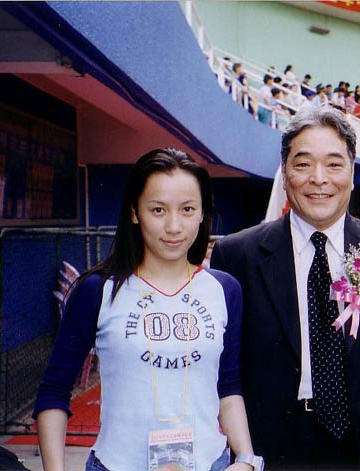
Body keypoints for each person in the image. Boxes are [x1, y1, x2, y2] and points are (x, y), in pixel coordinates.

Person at [211, 107, 360, 470]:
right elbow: (230, 362)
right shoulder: (237, 255)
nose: (319, 179)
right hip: (270, 443)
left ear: (352, 173)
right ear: (285, 173)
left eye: (334, 165)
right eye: (303, 164)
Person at [33, 149, 260, 471]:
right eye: (158, 209)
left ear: (202, 213)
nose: (173, 226)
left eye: (187, 209)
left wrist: (247, 459)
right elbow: (54, 392)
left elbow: (228, 386)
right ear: (135, 212)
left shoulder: (225, 290)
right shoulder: (97, 290)